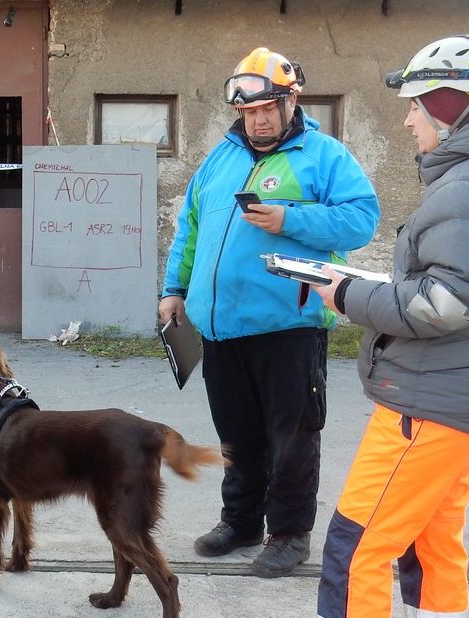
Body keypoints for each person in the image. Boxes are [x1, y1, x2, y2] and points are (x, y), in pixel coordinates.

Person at [271, 34, 469, 618]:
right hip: (456, 397)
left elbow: (444, 304)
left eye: (418, 105)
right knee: (431, 547)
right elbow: (453, 291)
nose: (408, 118)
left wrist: (345, 294)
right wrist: (359, 282)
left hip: (428, 402)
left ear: (450, 105)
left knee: (356, 550)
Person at [160, 48, 379, 578]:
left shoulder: (323, 156)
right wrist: (174, 289)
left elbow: (361, 221)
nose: (259, 118)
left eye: (269, 107)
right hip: (222, 329)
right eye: (249, 110)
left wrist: (291, 219)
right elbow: (190, 227)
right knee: (238, 434)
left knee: (292, 435)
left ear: (290, 101)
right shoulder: (219, 158)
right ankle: (240, 522)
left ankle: (288, 533)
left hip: (291, 327)